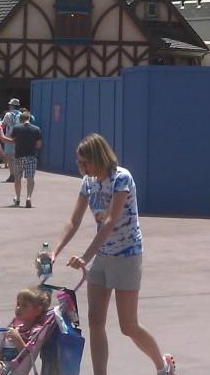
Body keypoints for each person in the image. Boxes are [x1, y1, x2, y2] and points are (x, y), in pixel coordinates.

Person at [41, 134, 176, 375]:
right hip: (102, 256)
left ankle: (163, 365)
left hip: (127, 255)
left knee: (128, 325)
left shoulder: (121, 179)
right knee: (95, 322)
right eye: (80, 163)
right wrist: (55, 251)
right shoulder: (88, 183)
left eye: (86, 163)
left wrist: (85, 256)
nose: (83, 168)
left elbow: (111, 221)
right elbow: (74, 220)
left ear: (99, 158)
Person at [11, 108, 42, 208]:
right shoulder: (36, 129)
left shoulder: (16, 128)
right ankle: (28, 197)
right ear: (29, 118)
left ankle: (18, 198)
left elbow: (13, 140)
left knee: (17, 178)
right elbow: (38, 145)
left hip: (19, 156)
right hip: (31, 156)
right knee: (30, 178)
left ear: (20, 119)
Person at [2, 99, 21, 180]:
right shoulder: (21, 114)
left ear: (12, 106)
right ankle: (18, 174)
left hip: (9, 137)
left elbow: (3, 124)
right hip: (20, 138)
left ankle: (12, 174)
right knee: (18, 156)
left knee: (9, 156)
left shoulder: (8, 114)